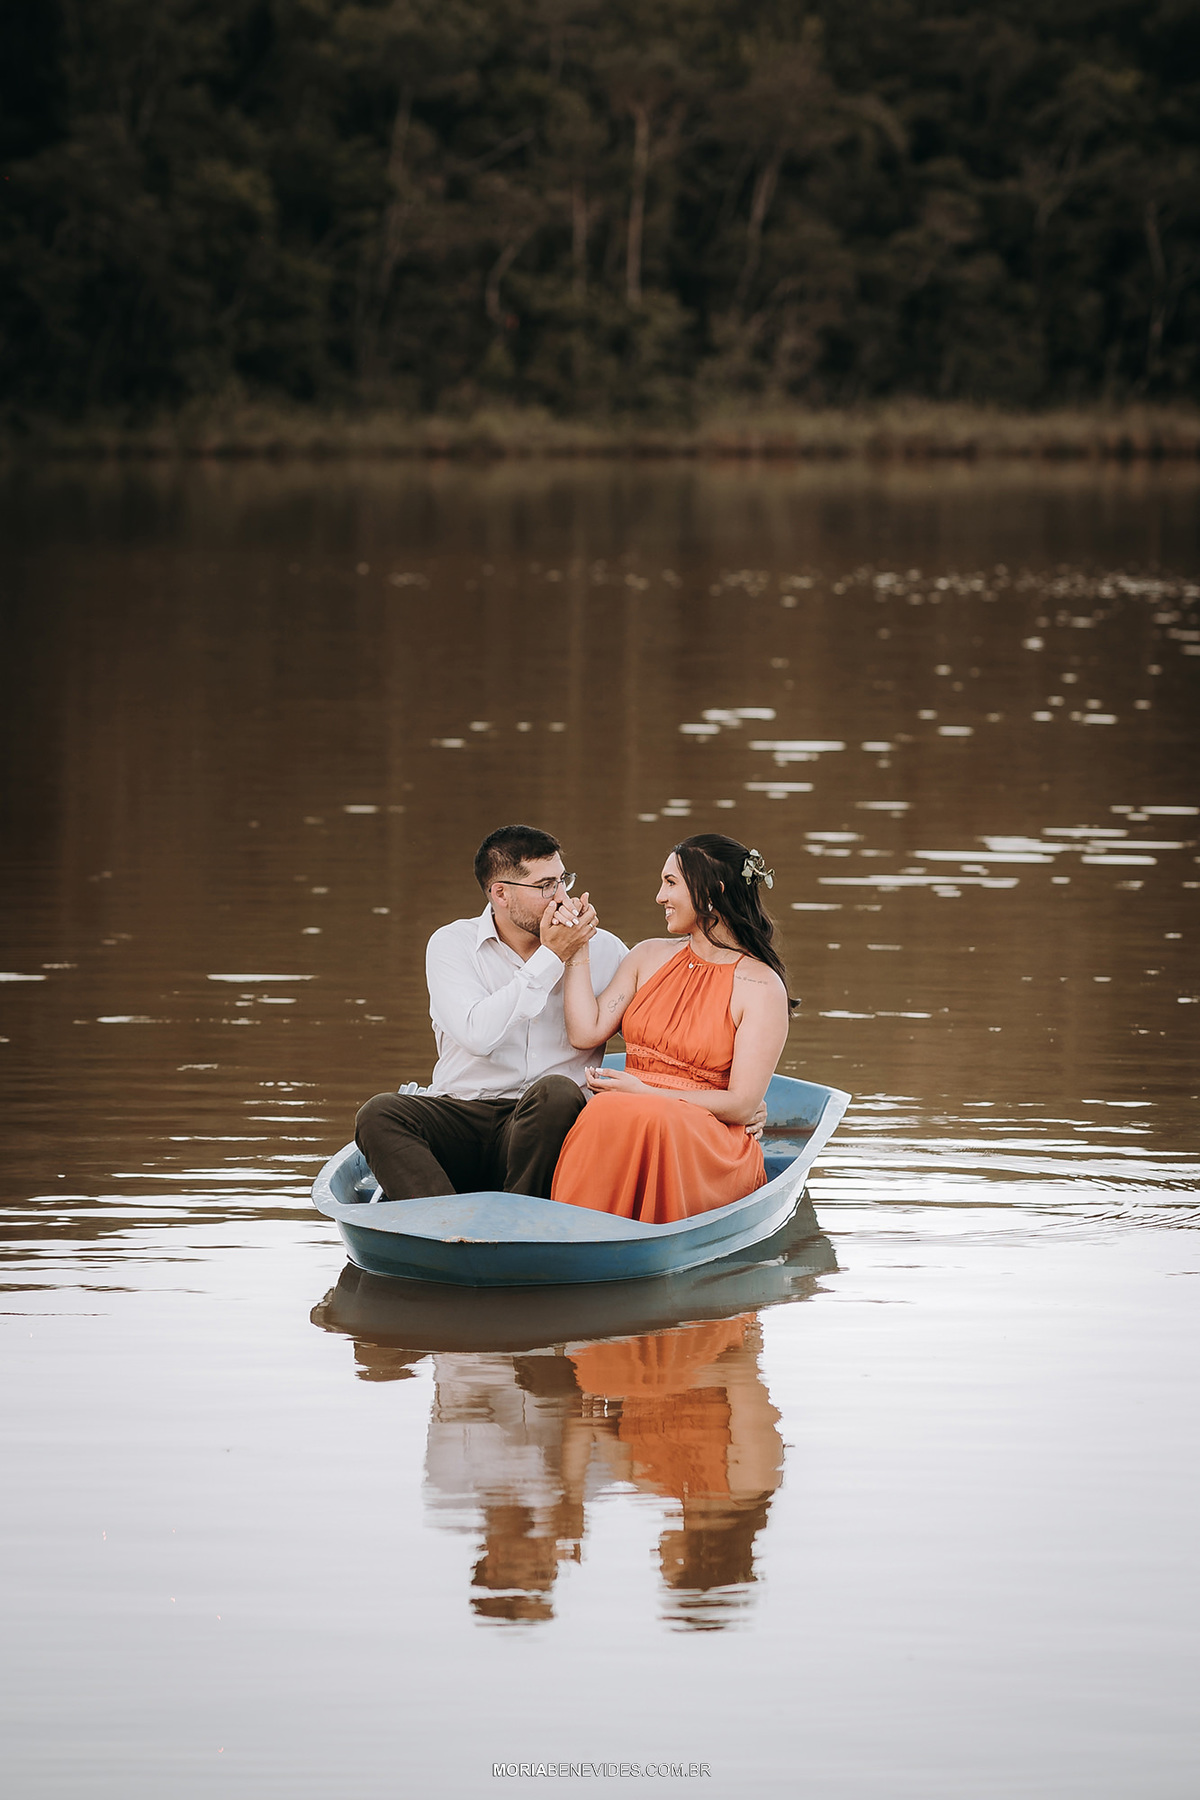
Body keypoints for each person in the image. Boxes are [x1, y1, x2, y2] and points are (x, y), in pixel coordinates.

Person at [354, 825, 626, 1201]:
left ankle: (520, 1224)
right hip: (463, 1116)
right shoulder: (452, 944)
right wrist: (551, 958)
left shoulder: (606, 948)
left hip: (550, 1125)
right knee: (378, 1113)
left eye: (563, 880)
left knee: (557, 1093)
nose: (562, 897)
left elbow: (652, 1033)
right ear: (501, 893)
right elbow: (477, 1036)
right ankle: (442, 1230)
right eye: (546, 885)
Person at [549, 834, 791, 1224]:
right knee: (605, 1110)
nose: (659, 896)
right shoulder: (648, 956)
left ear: (713, 892)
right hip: (627, 1109)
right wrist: (577, 948)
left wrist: (647, 1093)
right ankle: (574, 1232)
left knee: (646, 1116)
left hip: (706, 1136)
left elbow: (743, 1105)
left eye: (671, 882)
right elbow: (586, 1031)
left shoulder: (760, 985)